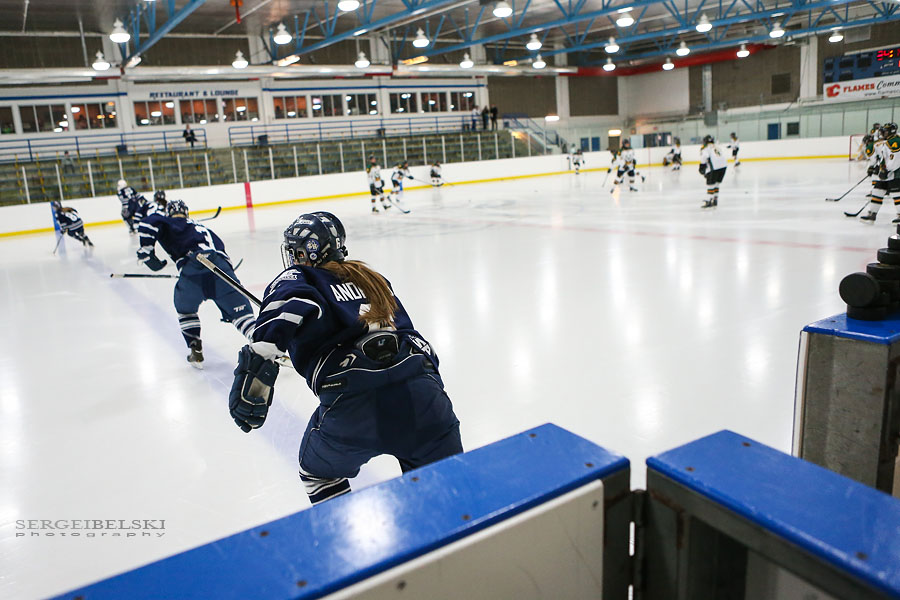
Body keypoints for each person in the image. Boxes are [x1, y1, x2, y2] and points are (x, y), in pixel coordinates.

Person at [228, 212, 463, 505]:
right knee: (447, 499)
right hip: (425, 397)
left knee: (317, 474)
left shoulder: (301, 277)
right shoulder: (373, 279)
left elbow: (277, 321)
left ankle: (340, 525)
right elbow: (415, 339)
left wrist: (255, 371)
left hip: (355, 404)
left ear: (304, 253)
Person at [137, 200, 256, 368]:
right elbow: (220, 251)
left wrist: (147, 252)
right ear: (186, 211)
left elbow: (148, 222)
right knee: (241, 314)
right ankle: (261, 342)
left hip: (192, 270)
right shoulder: (200, 227)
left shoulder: (169, 222)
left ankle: (195, 348)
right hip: (220, 269)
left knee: (185, 310)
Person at [862, 123, 900, 224]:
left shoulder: (895, 141)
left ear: (891, 131)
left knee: (896, 193)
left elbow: (896, 159)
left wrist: (887, 170)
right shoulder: (888, 141)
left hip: (896, 173)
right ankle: (872, 213)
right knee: (877, 191)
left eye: (885, 131)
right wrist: (881, 169)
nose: (883, 133)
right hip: (887, 172)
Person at [699, 134, 728, 209]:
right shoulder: (717, 146)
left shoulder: (706, 148)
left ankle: (709, 200)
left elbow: (704, 157)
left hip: (715, 167)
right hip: (723, 166)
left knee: (710, 184)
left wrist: (701, 167)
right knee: (717, 183)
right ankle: (715, 199)